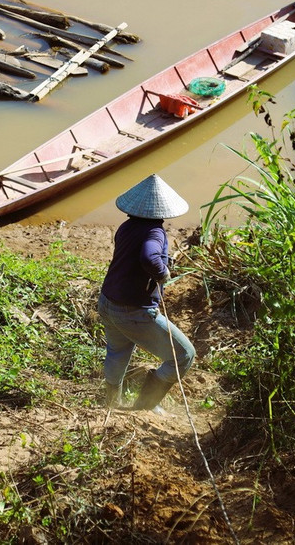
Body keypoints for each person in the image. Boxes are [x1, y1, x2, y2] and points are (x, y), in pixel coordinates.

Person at [97, 174, 196, 412]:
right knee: (183, 356)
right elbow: (148, 257)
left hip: (108, 302)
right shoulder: (155, 232)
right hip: (133, 311)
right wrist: (163, 273)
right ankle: (144, 406)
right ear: (163, 210)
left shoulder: (126, 227)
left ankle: (112, 404)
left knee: (117, 351)